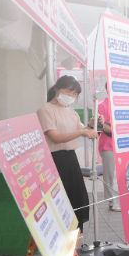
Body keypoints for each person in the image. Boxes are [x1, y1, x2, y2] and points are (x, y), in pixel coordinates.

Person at [37, 75, 98, 232]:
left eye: (74, 94)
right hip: (55, 161)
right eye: (68, 91)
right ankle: (60, 242)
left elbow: (83, 130)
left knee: (76, 200)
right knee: (60, 203)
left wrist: (91, 125)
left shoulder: (72, 113)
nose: (71, 96)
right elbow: (55, 138)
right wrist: (82, 132)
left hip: (72, 160)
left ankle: (75, 241)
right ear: (57, 89)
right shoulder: (45, 110)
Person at [97, 84, 119, 212]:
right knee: (109, 174)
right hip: (108, 146)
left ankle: (124, 200)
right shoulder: (102, 105)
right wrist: (115, 128)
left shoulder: (122, 105)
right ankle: (112, 201)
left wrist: (111, 125)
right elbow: (101, 125)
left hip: (122, 146)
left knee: (124, 174)